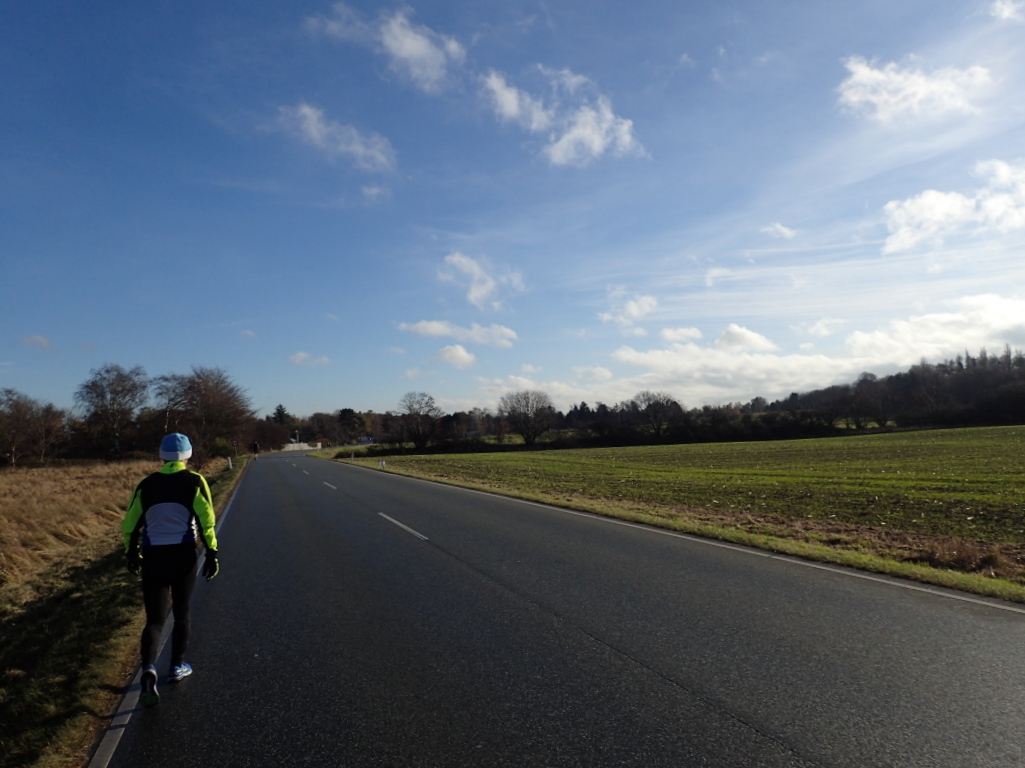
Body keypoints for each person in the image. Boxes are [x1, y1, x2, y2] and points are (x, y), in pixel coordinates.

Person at [122, 433, 219, 707]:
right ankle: (176, 667)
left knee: (154, 619)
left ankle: (149, 667)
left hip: (154, 556)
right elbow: (207, 520)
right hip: (184, 554)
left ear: (161, 456)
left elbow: (129, 524)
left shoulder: (147, 484)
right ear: (187, 455)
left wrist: (131, 552)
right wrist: (212, 552)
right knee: (182, 613)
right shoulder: (195, 481)